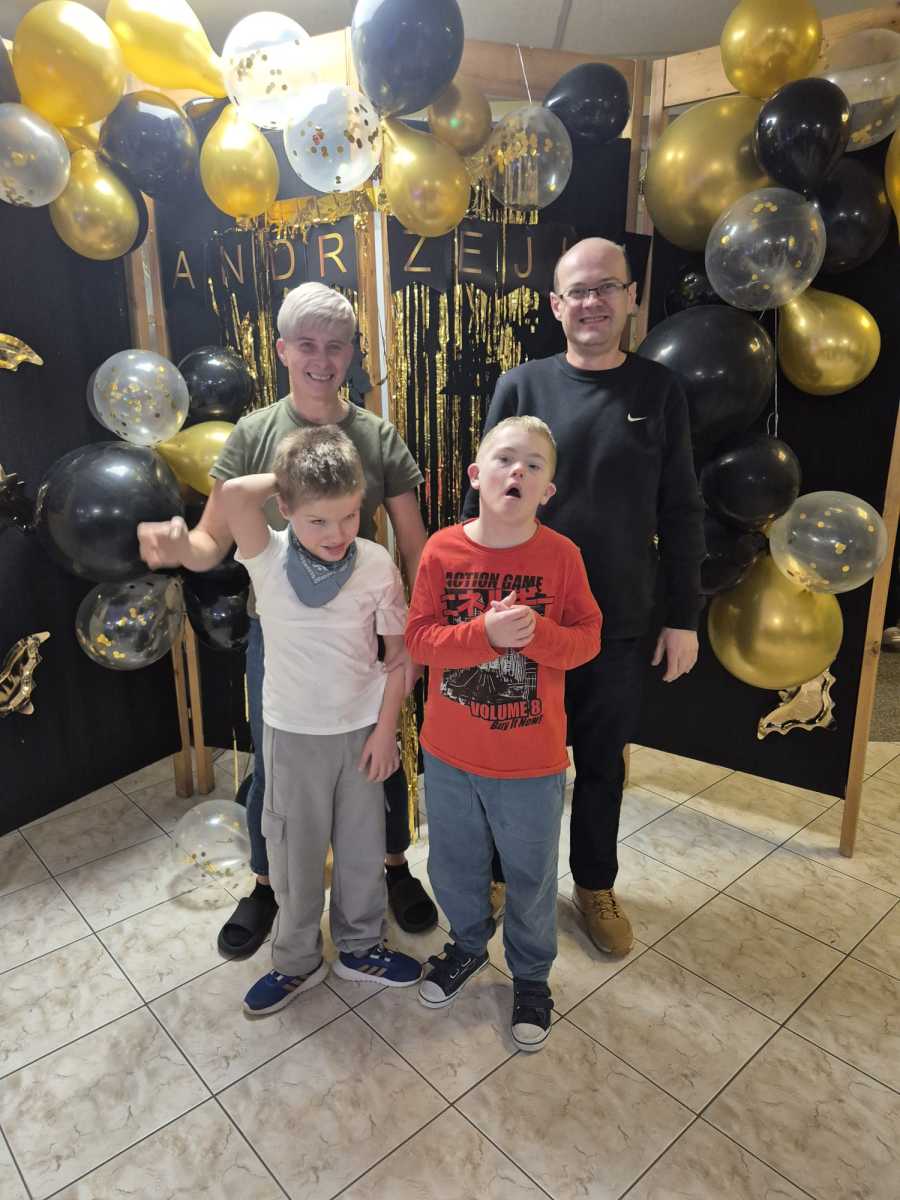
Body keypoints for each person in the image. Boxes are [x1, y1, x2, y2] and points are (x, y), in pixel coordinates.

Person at [138, 282, 437, 957]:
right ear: (281, 350)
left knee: (380, 756)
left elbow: (416, 544)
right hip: (281, 633)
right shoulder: (255, 434)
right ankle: (267, 884)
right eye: (307, 345)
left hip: (366, 626)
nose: (322, 360)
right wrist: (181, 546)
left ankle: (392, 867)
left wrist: (418, 634)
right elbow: (211, 540)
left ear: (352, 352)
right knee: (277, 761)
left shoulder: (377, 435)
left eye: (336, 346)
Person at [463, 238, 705, 957]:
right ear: (556, 305)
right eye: (578, 291)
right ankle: (500, 874)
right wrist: (476, 609)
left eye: (607, 288)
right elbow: (485, 499)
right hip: (520, 621)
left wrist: (683, 617)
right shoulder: (521, 385)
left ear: (631, 298)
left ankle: (595, 884)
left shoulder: (659, 391)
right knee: (512, 760)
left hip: (619, 621)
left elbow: (681, 509)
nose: (593, 302)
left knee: (601, 764)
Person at [407, 416, 602, 1050]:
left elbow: (587, 640)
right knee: (454, 864)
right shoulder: (441, 550)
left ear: (548, 490)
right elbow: (419, 640)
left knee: (530, 875)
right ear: (476, 475)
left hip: (530, 762)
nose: (518, 471)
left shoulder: (562, 557)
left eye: (534, 465)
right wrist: (482, 636)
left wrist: (537, 635)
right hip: (449, 755)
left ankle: (532, 978)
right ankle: (467, 945)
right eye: (504, 459)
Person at [218, 426, 422, 1013]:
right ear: (285, 509)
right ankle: (296, 960)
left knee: (361, 848)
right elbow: (233, 494)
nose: (336, 534)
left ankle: (361, 947)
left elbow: (398, 655)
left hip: (362, 732)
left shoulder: (376, 563)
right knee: (294, 856)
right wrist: (295, 476)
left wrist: (386, 731)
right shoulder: (269, 556)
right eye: (318, 520)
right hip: (291, 735)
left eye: (350, 515)